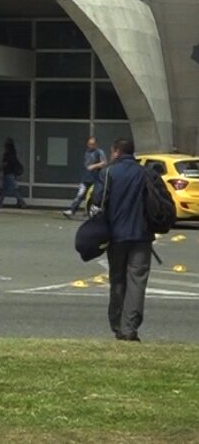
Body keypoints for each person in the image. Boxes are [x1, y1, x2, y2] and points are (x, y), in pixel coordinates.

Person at [90, 138, 152, 342]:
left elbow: (97, 201)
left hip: (115, 235)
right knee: (137, 281)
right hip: (142, 235)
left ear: (116, 152)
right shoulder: (144, 173)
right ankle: (130, 327)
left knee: (117, 279)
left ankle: (117, 324)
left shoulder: (108, 173)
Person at [65, 136, 107, 218]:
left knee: (95, 196)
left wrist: (94, 166)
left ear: (96, 144)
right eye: (89, 144)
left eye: (92, 144)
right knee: (80, 194)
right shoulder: (86, 152)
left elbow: (104, 163)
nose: (91, 146)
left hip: (96, 178)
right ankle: (72, 210)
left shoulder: (99, 152)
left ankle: (91, 212)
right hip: (86, 178)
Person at [0, 138, 27, 209]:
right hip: (12, 174)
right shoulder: (13, 153)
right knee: (6, 189)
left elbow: (5, 164)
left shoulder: (7, 154)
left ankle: (22, 202)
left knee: (11, 190)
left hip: (8, 174)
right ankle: (0, 204)